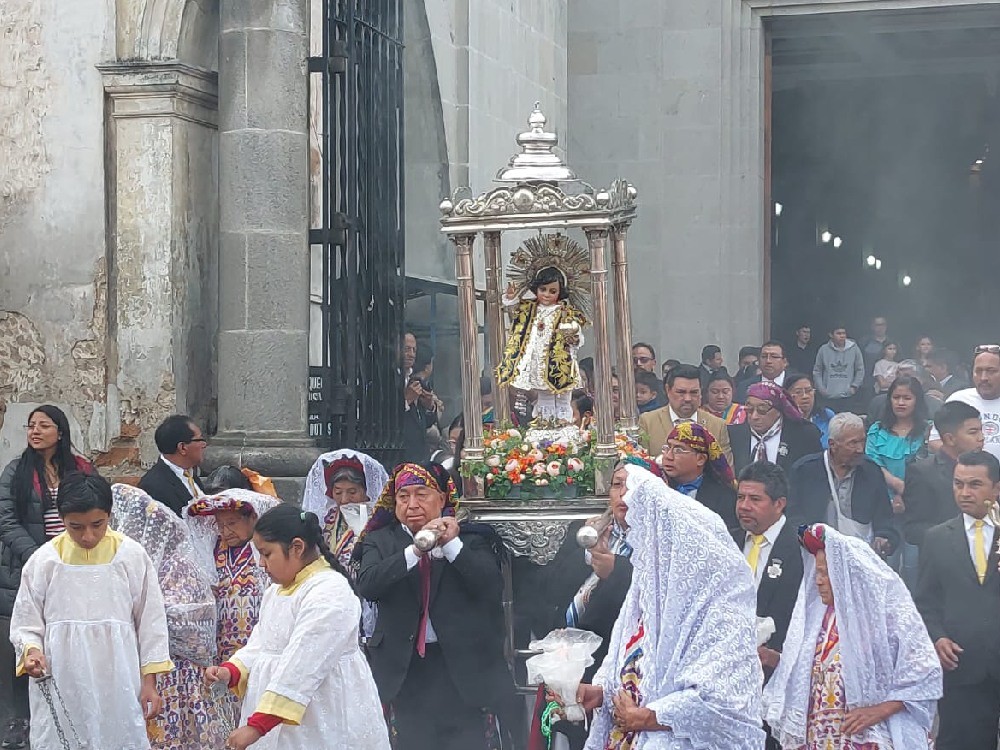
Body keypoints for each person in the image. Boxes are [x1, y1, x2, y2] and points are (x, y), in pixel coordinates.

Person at [576, 464, 765, 750]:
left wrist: (648, 717)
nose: (645, 552)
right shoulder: (647, 592)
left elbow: (724, 702)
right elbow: (629, 663)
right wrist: (601, 692)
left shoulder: (720, 609)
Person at [355, 462, 516, 750]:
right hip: (406, 669)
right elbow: (368, 585)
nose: (412, 504)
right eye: (403, 497)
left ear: (442, 499)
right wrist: (416, 550)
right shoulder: (380, 541)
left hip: (459, 668)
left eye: (422, 494)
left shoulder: (473, 538)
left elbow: (491, 586)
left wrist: (451, 546)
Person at [205, 505, 390, 750]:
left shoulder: (330, 591)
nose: (261, 564)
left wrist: (257, 725)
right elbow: (263, 644)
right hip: (276, 705)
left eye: (267, 554)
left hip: (322, 709)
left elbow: (304, 662)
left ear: (297, 547)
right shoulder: (276, 591)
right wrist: (233, 670)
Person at [10, 472, 173, 749]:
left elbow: (151, 623)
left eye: (97, 525)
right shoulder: (44, 561)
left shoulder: (131, 557)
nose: (88, 536)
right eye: (76, 527)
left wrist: (150, 683)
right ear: (61, 519)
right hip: (62, 674)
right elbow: (26, 622)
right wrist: (31, 651)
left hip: (118, 673)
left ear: (109, 515)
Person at [763, 524, 941, 750]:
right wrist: (776, 659)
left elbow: (925, 672)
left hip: (865, 740)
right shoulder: (815, 620)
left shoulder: (880, 621)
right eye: (817, 572)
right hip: (820, 738)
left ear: (849, 575)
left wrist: (879, 710)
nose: (818, 581)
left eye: (826, 573)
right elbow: (814, 672)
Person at [0, 404, 94, 749]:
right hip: (23, 568)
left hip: (74, 567)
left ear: (60, 431)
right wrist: (38, 556)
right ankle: (17, 725)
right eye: (30, 426)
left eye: (43, 425)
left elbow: (96, 511)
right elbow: (6, 520)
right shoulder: (16, 471)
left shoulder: (81, 469)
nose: (35, 431)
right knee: (21, 643)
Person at [110, 483, 224, 750]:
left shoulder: (178, 564)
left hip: (172, 674)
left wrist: (142, 619)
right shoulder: (117, 560)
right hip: (127, 665)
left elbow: (192, 620)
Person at [915, 450, 1000, 750]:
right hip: (963, 666)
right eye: (958, 484)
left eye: (975, 484)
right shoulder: (937, 538)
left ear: (997, 487)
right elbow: (925, 602)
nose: (964, 493)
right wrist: (938, 638)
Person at [185, 488, 281, 728]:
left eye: (232, 523)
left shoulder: (267, 556)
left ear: (253, 519)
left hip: (258, 645)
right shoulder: (209, 553)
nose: (226, 531)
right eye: (220, 525)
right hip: (222, 650)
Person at [788, 413, 899, 555]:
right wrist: (807, 537)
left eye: (862, 441)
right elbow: (793, 515)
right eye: (853, 443)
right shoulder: (805, 470)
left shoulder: (871, 472)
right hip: (814, 555)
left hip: (860, 556)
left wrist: (883, 537)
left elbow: (884, 517)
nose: (860, 449)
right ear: (832, 444)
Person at [733, 462, 803, 686]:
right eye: (740, 497)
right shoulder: (727, 541)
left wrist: (780, 657)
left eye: (755, 499)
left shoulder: (801, 549)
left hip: (777, 675)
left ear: (779, 504)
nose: (744, 506)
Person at [496, 261, 588, 422]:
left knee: (562, 396)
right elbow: (515, 316)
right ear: (536, 289)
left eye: (552, 291)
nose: (546, 294)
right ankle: (545, 423)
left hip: (560, 360)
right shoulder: (529, 309)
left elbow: (576, 334)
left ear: (560, 292)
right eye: (543, 290)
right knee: (544, 395)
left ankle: (563, 424)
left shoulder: (566, 312)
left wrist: (573, 336)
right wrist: (511, 298)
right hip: (538, 358)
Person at [902, 401, 983, 550]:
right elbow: (913, 529)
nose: (981, 438)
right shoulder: (922, 472)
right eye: (973, 432)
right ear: (950, 438)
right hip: (944, 561)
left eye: (981, 431)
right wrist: (959, 536)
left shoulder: (987, 468)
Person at [301, 449, 389, 568]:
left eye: (352, 492)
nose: (344, 500)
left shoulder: (378, 521)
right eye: (338, 492)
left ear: (367, 492)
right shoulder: (327, 518)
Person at [639, 364, 733, 465]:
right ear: (667, 390)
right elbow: (641, 466)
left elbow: (725, 471)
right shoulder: (648, 422)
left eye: (694, 392)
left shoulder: (717, 426)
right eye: (681, 392)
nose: (688, 398)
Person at [730, 382, 822, 476]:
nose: (754, 416)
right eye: (749, 409)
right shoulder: (733, 435)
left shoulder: (804, 434)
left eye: (762, 410)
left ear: (779, 410)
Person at [661, 422, 738, 529]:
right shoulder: (659, 486)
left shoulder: (724, 498)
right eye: (667, 448)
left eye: (678, 450)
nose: (668, 456)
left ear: (700, 459)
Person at [929, 345, 1000, 460]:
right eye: (978, 371)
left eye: (991, 371)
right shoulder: (959, 399)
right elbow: (935, 441)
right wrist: (966, 465)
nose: (983, 378)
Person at [138, 414, 207, 515]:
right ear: (182, 447)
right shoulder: (154, 487)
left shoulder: (190, 475)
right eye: (199, 440)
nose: (204, 445)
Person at [401, 332, 440, 462]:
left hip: (420, 457)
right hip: (401, 455)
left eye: (414, 350)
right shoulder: (387, 381)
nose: (411, 354)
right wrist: (406, 400)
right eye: (407, 349)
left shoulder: (416, 381)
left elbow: (426, 423)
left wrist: (429, 407)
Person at [813, 324, 864, 412]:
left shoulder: (854, 348)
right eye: (838, 333)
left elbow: (860, 369)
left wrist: (854, 387)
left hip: (847, 396)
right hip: (828, 396)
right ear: (831, 335)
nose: (842, 336)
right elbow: (817, 370)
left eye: (844, 333)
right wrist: (821, 389)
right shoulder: (823, 349)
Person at [784, 373, 835, 449]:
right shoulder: (782, 420)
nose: (805, 396)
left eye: (809, 391)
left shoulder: (826, 415)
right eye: (798, 392)